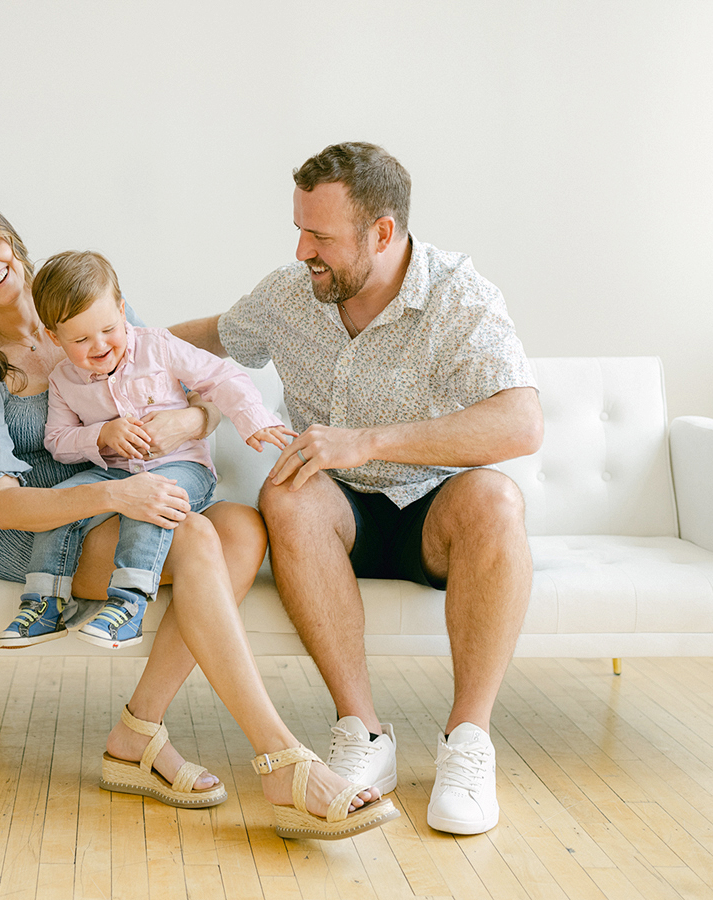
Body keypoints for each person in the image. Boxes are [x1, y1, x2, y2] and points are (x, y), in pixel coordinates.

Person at [0, 194, 399, 839]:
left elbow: (193, 386)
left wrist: (188, 422)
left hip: (129, 496)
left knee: (243, 530)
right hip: (37, 529)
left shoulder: (89, 304)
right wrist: (114, 495)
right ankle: (282, 761)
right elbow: (2, 502)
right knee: (192, 533)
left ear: (13, 241)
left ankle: (136, 733)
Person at [171, 142, 543, 835]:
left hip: (434, 510)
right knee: (286, 491)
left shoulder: (458, 295)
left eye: (320, 235)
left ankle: (468, 741)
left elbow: (522, 422)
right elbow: (209, 340)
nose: (303, 248)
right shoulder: (290, 293)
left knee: (497, 498)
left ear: (382, 232)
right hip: (334, 515)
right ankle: (364, 734)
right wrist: (103, 343)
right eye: (299, 228)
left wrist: (369, 440)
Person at [0, 249, 292, 650]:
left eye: (108, 329)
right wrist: (100, 435)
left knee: (149, 499)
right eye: (81, 339)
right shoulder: (64, 380)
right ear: (54, 338)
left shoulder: (158, 347)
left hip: (183, 468)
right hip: (116, 473)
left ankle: (129, 604)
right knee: (62, 500)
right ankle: (43, 604)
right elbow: (58, 443)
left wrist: (253, 419)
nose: (99, 345)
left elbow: (220, 377)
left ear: (122, 310)